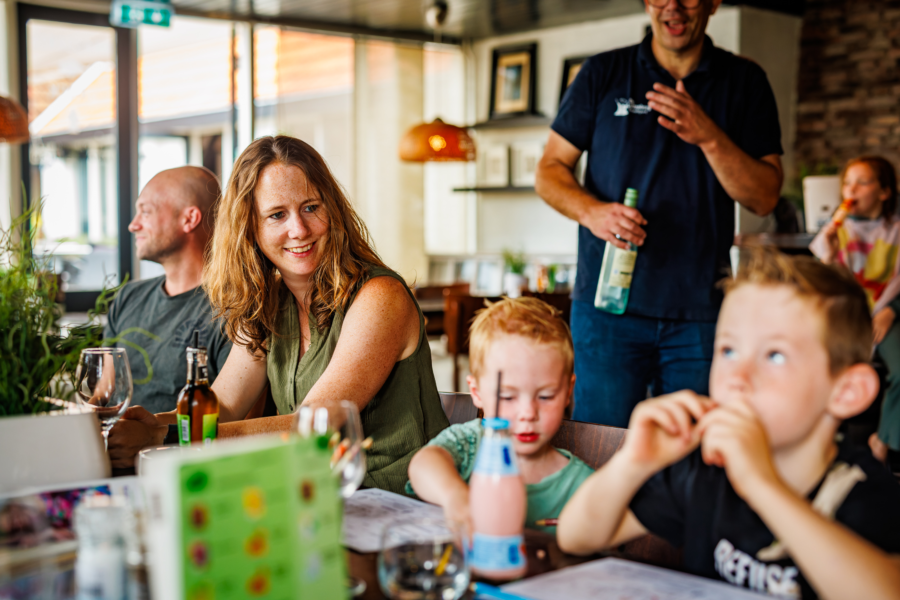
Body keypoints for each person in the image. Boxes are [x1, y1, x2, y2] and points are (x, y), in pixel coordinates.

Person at [110, 136, 450, 493]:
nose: (299, 230)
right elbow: (224, 404)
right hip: (314, 498)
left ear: (332, 210)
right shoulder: (268, 302)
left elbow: (316, 425)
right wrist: (150, 423)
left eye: (311, 207)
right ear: (249, 228)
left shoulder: (380, 297)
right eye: (277, 215)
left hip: (398, 501)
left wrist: (164, 437)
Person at [557, 249, 900, 599]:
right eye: (728, 351)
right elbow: (575, 537)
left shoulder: (865, 491)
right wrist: (633, 462)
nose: (738, 376)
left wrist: (761, 484)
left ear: (846, 392)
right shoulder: (703, 468)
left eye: (774, 355)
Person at [535, 0, 784, 427]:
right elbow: (549, 170)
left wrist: (709, 136)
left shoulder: (745, 81)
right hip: (607, 311)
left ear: (713, 3)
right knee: (602, 448)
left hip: (700, 313)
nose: (673, 6)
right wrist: (593, 213)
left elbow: (764, 197)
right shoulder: (602, 73)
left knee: (691, 451)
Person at [406, 297, 593, 534]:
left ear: (567, 392)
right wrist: (456, 497)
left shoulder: (585, 486)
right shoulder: (471, 443)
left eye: (545, 396)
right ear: (477, 393)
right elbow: (423, 464)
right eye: (507, 397)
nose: (528, 413)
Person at [105, 167, 231, 464]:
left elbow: (234, 419)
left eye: (145, 211)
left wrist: (153, 436)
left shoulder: (233, 306)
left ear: (189, 218)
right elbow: (102, 396)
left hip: (190, 466)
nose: (133, 225)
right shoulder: (127, 298)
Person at [810, 156, 900, 468]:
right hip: (845, 314)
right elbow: (822, 285)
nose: (851, 189)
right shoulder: (836, 232)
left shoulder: (895, 230)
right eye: (847, 183)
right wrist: (830, 254)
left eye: (862, 182)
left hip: (887, 315)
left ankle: (882, 442)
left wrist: (891, 310)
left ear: (884, 192)